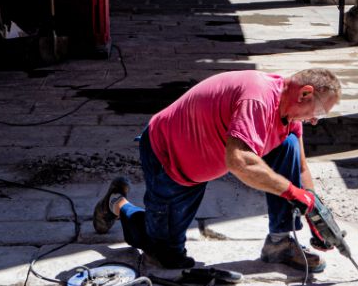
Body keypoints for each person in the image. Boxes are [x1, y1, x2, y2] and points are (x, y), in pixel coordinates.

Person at [93, 69, 342, 273]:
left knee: (287, 146)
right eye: (318, 112)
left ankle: (279, 242)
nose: (314, 121)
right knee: (165, 255)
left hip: (202, 158)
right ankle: (118, 204)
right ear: (305, 93)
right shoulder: (258, 99)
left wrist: (314, 210)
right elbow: (239, 161)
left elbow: (300, 167)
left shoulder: (289, 112)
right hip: (170, 156)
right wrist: (292, 193)